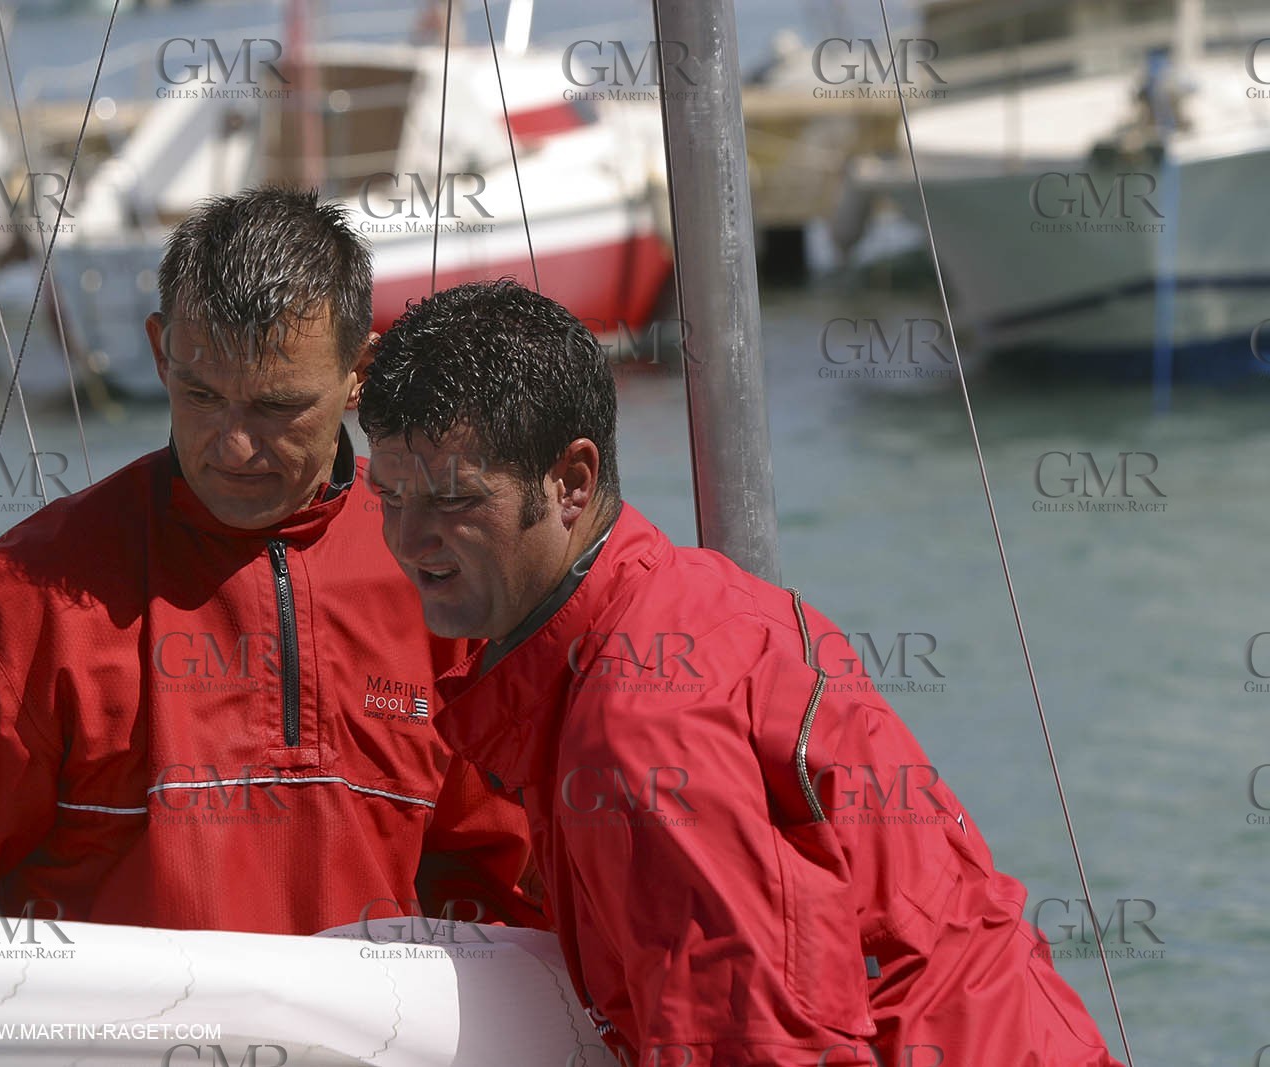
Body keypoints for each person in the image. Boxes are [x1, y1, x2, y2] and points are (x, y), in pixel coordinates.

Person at [357, 279, 1125, 1067]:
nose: (410, 538)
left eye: (452, 498)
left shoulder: (640, 726)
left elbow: (753, 1046)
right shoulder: (696, 603)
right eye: (389, 495)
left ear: (572, 482)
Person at [0, 188, 542, 950]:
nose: (234, 446)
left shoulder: (453, 582)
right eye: (201, 394)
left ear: (359, 373)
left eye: (278, 407)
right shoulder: (15, 609)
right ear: (159, 350)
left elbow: (518, 892)